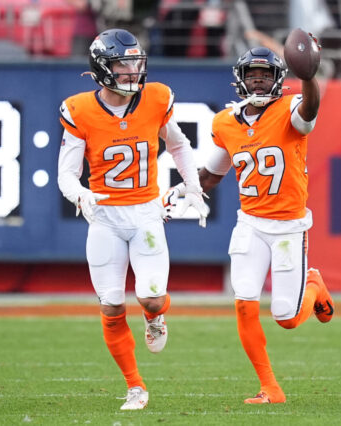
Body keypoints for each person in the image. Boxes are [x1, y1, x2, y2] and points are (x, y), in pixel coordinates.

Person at [166, 45, 334, 404]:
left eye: (266, 74)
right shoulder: (226, 121)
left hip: (288, 225)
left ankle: (315, 286)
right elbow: (212, 173)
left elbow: (310, 109)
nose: (258, 80)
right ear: (240, 80)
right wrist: (181, 189)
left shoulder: (290, 109)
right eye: (252, 75)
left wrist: (308, 75)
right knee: (244, 302)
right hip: (251, 223)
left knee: (286, 318)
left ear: (279, 79)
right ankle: (270, 388)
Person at [57, 28, 209, 411]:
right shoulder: (79, 109)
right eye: (122, 64)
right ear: (102, 67)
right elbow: (66, 173)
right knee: (110, 305)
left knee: (152, 298)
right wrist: (79, 193)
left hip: (145, 215)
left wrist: (192, 186)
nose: (131, 72)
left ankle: (155, 318)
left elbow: (178, 144)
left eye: (135, 62)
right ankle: (135, 386)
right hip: (105, 218)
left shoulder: (155, 98)